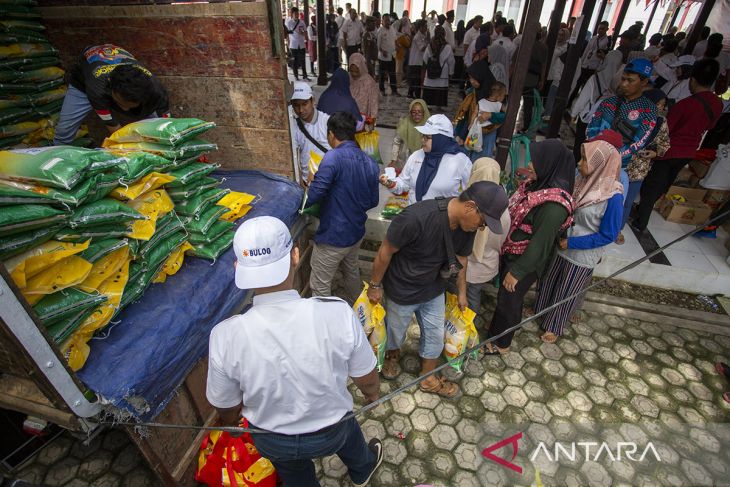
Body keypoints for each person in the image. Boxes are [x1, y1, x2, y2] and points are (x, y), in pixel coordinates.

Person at [206, 216, 384, 487]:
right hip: (332, 430)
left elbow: (226, 406)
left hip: (273, 440)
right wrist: (372, 395)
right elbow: (366, 376)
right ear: (295, 256)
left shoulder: (224, 336)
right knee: (349, 433)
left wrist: (233, 423)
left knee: (294, 476)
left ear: (237, 267)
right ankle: (363, 469)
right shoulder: (336, 312)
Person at [367, 181, 508, 397]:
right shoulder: (415, 218)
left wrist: (462, 292)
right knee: (395, 332)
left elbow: (461, 258)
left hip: (433, 288)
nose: (482, 227)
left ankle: (428, 377)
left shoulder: (466, 226)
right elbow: (385, 251)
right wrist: (375, 285)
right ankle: (392, 354)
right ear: (470, 207)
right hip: (401, 288)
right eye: (483, 221)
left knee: (435, 333)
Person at [486, 140, 575, 355]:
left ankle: (502, 344)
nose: (529, 164)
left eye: (535, 160)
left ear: (549, 164)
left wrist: (517, 273)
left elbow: (540, 244)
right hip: (513, 253)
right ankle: (494, 334)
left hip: (524, 262)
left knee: (510, 301)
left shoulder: (554, 206)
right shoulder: (538, 184)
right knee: (505, 299)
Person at [533, 139, 623, 343]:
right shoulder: (583, 182)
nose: (579, 164)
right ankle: (540, 310)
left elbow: (608, 235)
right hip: (562, 244)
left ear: (599, 165)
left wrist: (572, 244)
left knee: (567, 291)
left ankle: (554, 326)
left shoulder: (612, 196)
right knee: (549, 280)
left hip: (582, 253)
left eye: (585, 160)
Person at [633, 59, 724, 233]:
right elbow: (710, 126)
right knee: (665, 183)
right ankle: (642, 210)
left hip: (669, 151)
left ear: (693, 80)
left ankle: (640, 222)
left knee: (652, 184)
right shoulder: (717, 104)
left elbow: (666, 130)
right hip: (689, 152)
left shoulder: (685, 105)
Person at [305, 112, 379, 301]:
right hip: (355, 233)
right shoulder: (370, 162)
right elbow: (373, 201)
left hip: (333, 236)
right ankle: (360, 311)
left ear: (331, 134)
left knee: (320, 286)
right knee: (352, 273)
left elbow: (313, 196)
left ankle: (326, 325)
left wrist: (313, 182)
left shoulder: (332, 158)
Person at [54, 44, 170, 146]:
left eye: (131, 106)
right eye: (121, 103)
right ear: (111, 89)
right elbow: (114, 128)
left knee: (159, 129)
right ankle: (55, 156)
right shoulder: (97, 90)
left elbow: (167, 125)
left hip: (115, 62)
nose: (125, 110)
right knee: (64, 129)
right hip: (83, 82)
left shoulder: (156, 92)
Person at [380, 114, 472, 206]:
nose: (422, 140)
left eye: (427, 137)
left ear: (441, 139)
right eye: (423, 135)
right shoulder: (416, 156)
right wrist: (390, 183)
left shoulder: (461, 161)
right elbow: (404, 183)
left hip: (442, 218)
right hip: (414, 215)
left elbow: (470, 194)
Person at [616, 89, 670, 244]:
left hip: (638, 168)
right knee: (611, 197)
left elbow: (664, 144)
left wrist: (654, 153)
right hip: (620, 163)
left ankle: (618, 229)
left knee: (627, 201)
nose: (659, 108)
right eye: (657, 104)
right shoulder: (633, 113)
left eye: (662, 105)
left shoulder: (661, 122)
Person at [586, 58, 658, 168]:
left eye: (630, 80)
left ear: (644, 82)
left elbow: (639, 142)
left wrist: (613, 157)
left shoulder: (649, 110)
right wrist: (596, 152)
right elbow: (591, 129)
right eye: (623, 79)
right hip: (593, 159)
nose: (624, 84)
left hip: (618, 167)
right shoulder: (608, 103)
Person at [465, 158, 511, 314]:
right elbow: (500, 241)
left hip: (460, 263)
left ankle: (454, 329)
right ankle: (467, 331)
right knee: (473, 297)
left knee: (457, 294)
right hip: (485, 265)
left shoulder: (465, 201)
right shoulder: (503, 209)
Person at [570, 49, 622, 163]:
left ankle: (575, 167)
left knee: (580, 144)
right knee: (594, 148)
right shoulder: (620, 83)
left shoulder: (596, 78)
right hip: (604, 122)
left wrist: (574, 113)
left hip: (587, 117)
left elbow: (584, 97)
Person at [290, 82, 331, 184]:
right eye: (296, 105)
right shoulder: (293, 127)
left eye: (304, 104)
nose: (300, 110)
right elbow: (294, 159)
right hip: (308, 183)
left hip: (329, 181)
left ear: (312, 101)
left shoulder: (327, 122)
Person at [390, 99, 430, 169]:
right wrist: (393, 160)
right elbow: (396, 142)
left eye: (419, 112)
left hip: (423, 161)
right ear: (410, 113)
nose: (416, 115)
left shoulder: (429, 127)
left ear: (424, 112)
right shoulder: (404, 124)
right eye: (414, 112)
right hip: (405, 160)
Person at [520, 29, 548, 133]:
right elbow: (543, 66)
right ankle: (526, 126)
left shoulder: (525, 45)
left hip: (521, 77)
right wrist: (541, 79)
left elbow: (516, 62)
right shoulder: (543, 48)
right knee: (528, 105)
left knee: (513, 102)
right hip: (534, 79)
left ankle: (508, 123)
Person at [422, 26, 455, 110]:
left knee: (430, 87)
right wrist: (451, 72)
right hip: (442, 72)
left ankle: (428, 105)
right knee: (440, 88)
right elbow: (451, 61)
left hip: (430, 71)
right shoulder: (447, 47)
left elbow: (425, 59)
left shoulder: (430, 45)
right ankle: (438, 106)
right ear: (444, 34)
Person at [544, 28, 570, 117]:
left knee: (550, 95)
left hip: (554, 74)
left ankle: (547, 113)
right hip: (547, 70)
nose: (559, 37)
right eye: (558, 34)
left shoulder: (565, 47)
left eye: (562, 35)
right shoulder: (554, 44)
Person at [349, 53, 380, 123]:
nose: (354, 74)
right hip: (349, 118)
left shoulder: (369, 82)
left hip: (364, 120)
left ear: (361, 68)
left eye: (357, 71)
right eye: (351, 71)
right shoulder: (348, 78)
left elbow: (374, 103)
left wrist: (372, 119)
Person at [377, 14, 399, 96]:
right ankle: (382, 90)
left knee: (392, 74)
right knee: (382, 75)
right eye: (385, 20)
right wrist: (383, 51)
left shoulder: (392, 29)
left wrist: (397, 45)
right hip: (383, 57)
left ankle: (394, 90)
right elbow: (378, 45)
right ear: (382, 21)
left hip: (392, 55)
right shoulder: (380, 31)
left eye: (388, 20)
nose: (387, 22)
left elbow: (395, 39)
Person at [286, 7, 309, 80]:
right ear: (292, 14)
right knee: (294, 61)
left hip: (301, 44)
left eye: (297, 13)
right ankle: (296, 76)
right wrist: (288, 44)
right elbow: (287, 34)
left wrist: (303, 34)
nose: (297, 15)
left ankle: (305, 75)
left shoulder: (302, 22)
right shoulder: (289, 23)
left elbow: (305, 33)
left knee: (303, 60)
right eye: (295, 13)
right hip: (293, 45)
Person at [407, 20, 429, 99]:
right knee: (416, 80)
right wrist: (428, 41)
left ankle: (410, 95)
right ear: (420, 27)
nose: (426, 28)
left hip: (419, 61)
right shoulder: (417, 37)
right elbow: (422, 48)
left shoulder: (423, 35)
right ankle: (417, 97)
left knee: (415, 80)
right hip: (415, 62)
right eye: (425, 26)